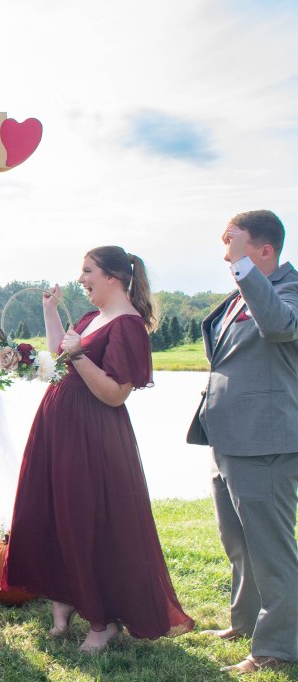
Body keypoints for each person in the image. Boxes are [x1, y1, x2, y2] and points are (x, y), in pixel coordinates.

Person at [3, 246, 194, 652]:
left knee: (86, 518)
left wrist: (78, 356)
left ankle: (102, 622)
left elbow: (114, 394)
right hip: (60, 424)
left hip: (92, 433)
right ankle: (65, 601)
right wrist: (51, 312)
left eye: (88, 271)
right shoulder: (92, 317)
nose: (81, 279)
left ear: (113, 277)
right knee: (56, 511)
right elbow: (61, 357)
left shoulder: (128, 326)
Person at [187, 211, 298, 674]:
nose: (227, 254)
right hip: (228, 436)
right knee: (238, 541)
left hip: (265, 439)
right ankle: (245, 622)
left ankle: (278, 647)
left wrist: (243, 268)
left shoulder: (289, 290)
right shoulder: (241, 294)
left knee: (271, 549)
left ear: (264, 250)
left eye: (235, 244)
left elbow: (278, 325)